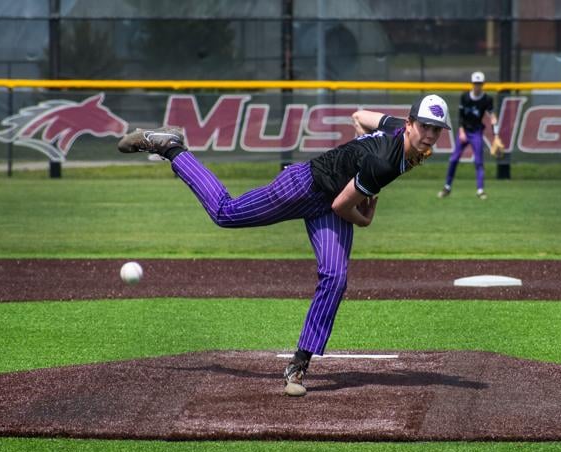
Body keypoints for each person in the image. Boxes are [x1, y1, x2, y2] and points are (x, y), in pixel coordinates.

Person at [118, 94, 451, 397]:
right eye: (424, 126)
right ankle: (171, 147)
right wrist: (365, 217)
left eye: (437, 129)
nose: (430, 135)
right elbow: (343, 208)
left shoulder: (398, 132)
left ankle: (299, 362)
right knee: (225, 212)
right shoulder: (385, 161)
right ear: (409, 124)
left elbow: (361, 116)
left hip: (330, 199)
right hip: (304, 187)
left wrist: (354, 158)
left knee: (335, 277)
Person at [438, 71, 500, 200]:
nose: (477, 86)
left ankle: (480, 190)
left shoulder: (487, 99)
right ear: (472, 84)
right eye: (475, 83)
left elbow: (492, 115)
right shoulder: (465, 97)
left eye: (479, 83)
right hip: (464, 131)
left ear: (483, 84)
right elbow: (460, 116)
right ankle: (447, 187)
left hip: (477, 132)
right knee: (454, 159)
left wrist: (496, 133)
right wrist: (461, 131)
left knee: (478, 161)